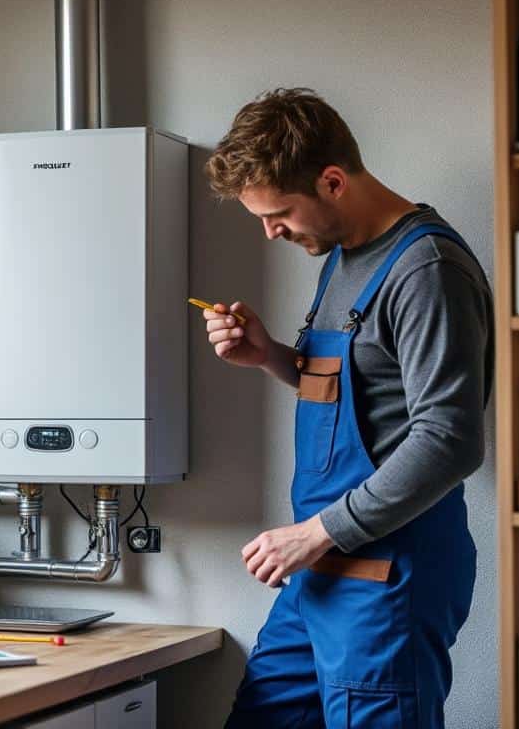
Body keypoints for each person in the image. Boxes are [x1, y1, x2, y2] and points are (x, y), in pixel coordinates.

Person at [200, 88, 492, 728]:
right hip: (318, 575)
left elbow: (450, 439)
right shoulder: (341, 256)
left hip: (385, 579)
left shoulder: (425, 269)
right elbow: (363, 393)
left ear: (332, 181)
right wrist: (271, 355)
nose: (271, 231)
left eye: (278, 213)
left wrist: (312, 534)